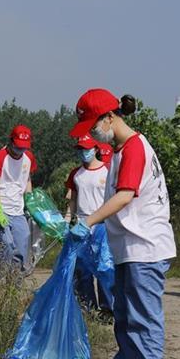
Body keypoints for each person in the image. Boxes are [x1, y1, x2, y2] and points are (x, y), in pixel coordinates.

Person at [68, 89, 176, 359]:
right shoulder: (119, 151)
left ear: (110, 117)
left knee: (143, 319)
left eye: (92, 125)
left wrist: (87, 222)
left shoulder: (135, 149)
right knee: (125, 316)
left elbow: (125, 195)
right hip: (128, 247)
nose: (91, 132)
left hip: (146, 247)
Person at [65, 133, 114, 317]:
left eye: (86, 149)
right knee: (82, 268)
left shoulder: (107, 171)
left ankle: (108, 308)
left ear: (95, 149)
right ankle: (87, 306)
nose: (83, 153)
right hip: (81, 225)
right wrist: (67, 220)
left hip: (102, 225)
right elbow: (72, 199)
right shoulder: (76, 174)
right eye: (80, 150)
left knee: (104, 267)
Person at [0, 125, 37, 278]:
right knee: (7, 246)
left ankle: (14, 282)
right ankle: (1, 281)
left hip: (18, 210)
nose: (20, 150)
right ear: (11, 141)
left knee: (22, 246)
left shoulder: (29, 158)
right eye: (17, 146)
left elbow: (27, 179)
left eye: (23, 147)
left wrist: (30, 202)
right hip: (2, 209)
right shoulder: (0, 157)